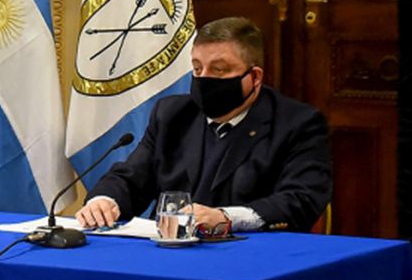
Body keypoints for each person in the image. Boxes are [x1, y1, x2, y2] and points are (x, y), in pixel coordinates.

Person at [76, 17, 331, 233]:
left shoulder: (297, 124)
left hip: (247, 258)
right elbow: (131, 178)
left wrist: (225, 218)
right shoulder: (173, 114)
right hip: (167, 255)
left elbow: (301, 199)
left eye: (219, 70)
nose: (204, 79)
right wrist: (105, 201)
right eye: (197, 69)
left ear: (254, 78)